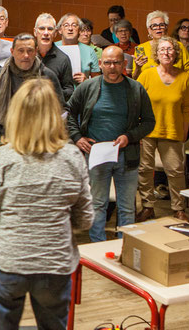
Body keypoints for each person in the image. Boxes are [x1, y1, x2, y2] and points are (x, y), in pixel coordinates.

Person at [0, 78, 93, 330]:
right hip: (55, 265)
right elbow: (85, 220)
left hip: (8, 263)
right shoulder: (73, 157)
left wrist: (9, 226)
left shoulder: (2, 158)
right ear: (55, 115)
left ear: (15, 115)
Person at [66, 46, 155, 243]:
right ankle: (98, 242)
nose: (112, 67)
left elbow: (149, 121)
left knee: (127, 206)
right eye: (107, 63)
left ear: (124, 64)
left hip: (126, 155)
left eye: (116, 62)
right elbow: (69, 113)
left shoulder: (135, 89)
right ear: (100, 64)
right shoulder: (88, 87)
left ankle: (125, 244)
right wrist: (77, 137)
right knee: (98, 203)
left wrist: (129, 136)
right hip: (97, 155)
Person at [135, 36, 189, 222]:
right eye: (162, 50)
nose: (166, 53)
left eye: (170, 49)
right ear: (156, 54)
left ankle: (178, 208)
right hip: (147, 130)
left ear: (176, 53)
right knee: (144, 169)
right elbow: (137, 103)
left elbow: (188, 108)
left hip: (172, 129)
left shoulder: (184, 77)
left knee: (175, 171)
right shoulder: (146, 75)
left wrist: (184, 131)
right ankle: (147, 207)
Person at [0, 33, 64, 147]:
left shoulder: (48, 76)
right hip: (6, 142)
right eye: (21, 51)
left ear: (36, 51)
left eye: (30, 51)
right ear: (12, 52)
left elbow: (61, 110)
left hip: (41, 144)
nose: (26, 55)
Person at [131, 11, 189, 80]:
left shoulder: (178, 46)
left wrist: (181, 83)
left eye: (161, 25)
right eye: (154, 26)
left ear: (166, 28)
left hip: (173, 88)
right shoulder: (141, 48)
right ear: (149, 30)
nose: (158, 28)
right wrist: (138, 68)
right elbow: (135, 79)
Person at [34, 13, 75, 101]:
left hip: (52, 108)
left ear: (55, 33)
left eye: (50, 29)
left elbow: (69, 90)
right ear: (35, 32)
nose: (46, 33)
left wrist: (52, 92)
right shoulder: (28, 55)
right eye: (41, 28)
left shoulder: (63, 59)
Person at [54, 13, 100, 82]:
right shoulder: (52, 47)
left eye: (74, 25)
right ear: (60, 30)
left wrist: (86, 81)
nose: (70, 28)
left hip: (81, 91)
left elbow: (97, 81)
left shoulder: (89, 51)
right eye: (66, 25)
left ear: (79, 30)